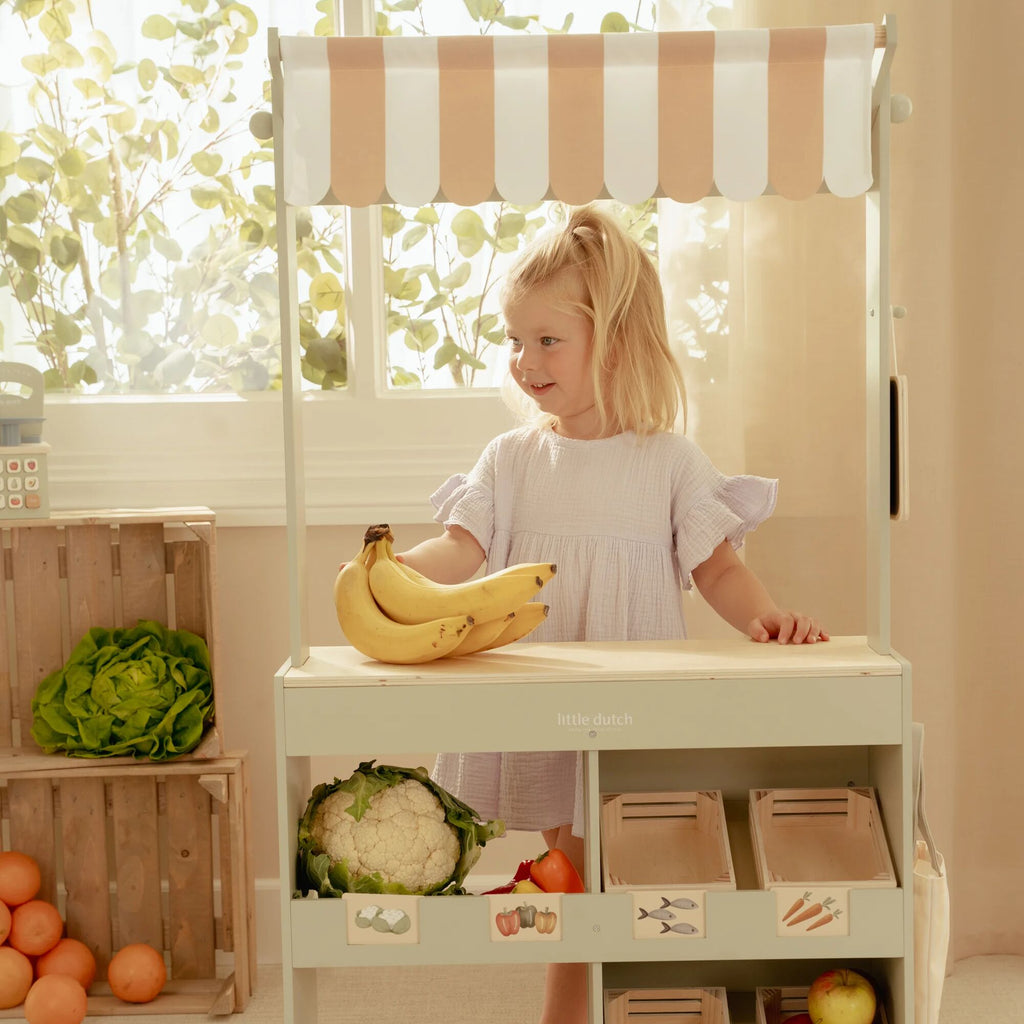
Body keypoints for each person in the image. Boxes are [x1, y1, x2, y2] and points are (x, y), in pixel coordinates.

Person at [396, 204, 828, 1024]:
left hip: (633, 714)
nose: (525, 361)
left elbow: (720, 565)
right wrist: (391, 573)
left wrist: (769, 620)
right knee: (579, 885)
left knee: (622, 887)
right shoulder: (512, 459)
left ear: (617, 342)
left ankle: (645, 1005)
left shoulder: (667, 459)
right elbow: (461, 551)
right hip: (548, 708)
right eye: (515, 341)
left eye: (548, 339)